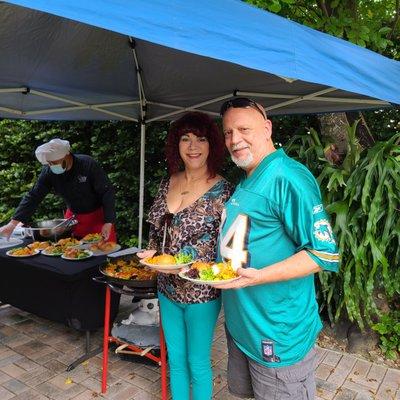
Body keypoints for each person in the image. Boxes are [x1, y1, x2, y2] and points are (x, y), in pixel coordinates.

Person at [215, 98, 340, 399]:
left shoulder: (287, 177)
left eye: (244, 128)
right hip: (244, 326)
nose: (235, 139)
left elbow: (322, 253)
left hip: (277, 332)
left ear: (267, 128)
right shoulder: (247, 177)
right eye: (228, 132)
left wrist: (259, 276)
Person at [137, 112, 233, 400]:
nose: (193, 146)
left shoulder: (224, 190)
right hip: (166, 289)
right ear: (176, 145)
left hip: (201, 293)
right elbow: (157, 232)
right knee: (175, 362)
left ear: (211, 145)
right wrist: (152, 252)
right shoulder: (169, 182)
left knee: (197, 362)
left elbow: (228, 247)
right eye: (186, 139)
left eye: (201, 139)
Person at [0, 138, 116, 241]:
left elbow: (107, 192)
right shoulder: (49, 171)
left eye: (55, 162)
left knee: (103, 253)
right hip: (73, 219)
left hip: (98, 217)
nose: (52, 166)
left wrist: (108, 222)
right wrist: (12, 224)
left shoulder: (87, 164)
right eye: (49, 163)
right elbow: (34, 196)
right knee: (73, 252)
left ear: (67, 155)